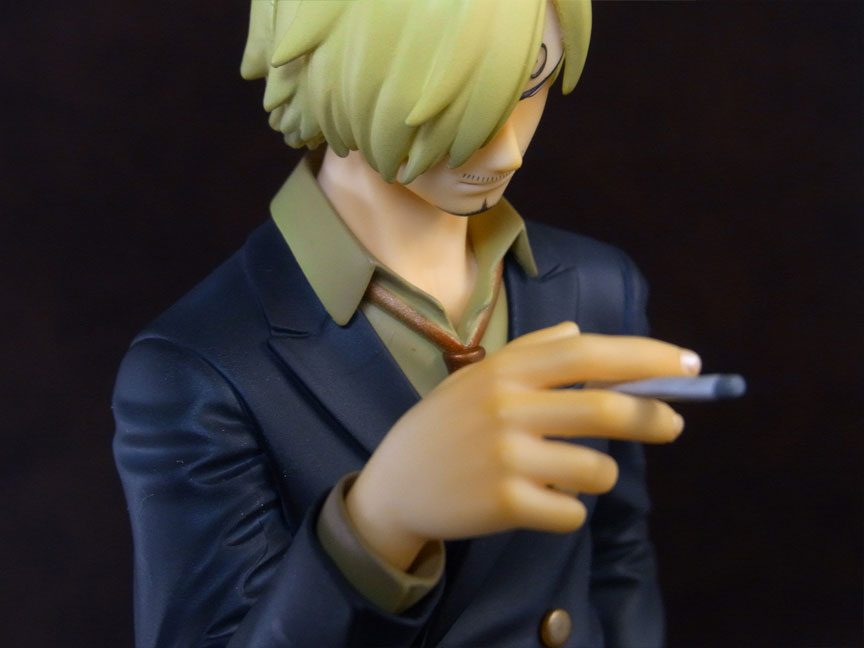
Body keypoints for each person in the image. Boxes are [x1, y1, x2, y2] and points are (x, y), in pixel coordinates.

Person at [113, 1, 700, 646]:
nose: (507, 150)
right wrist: (372, 528)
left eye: (531, 85)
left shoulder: (598, 285)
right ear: (333, 63)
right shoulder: (199, 367)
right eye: (453, 98)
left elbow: (616, 555)